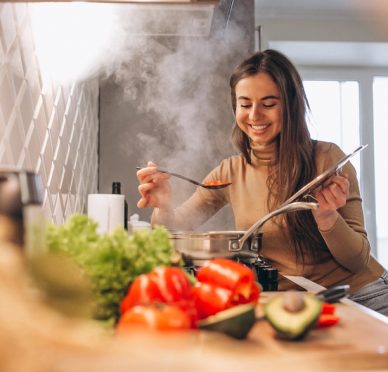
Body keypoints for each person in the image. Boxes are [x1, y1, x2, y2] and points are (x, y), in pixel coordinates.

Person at [136, 49, 388, 316]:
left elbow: (357, 259)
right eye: (245, 104)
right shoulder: (230, 172)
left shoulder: (327, 159)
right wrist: (163, 204)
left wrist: (327, 218)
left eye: (268, 104)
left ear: (291, 106)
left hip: (362, 296)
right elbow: (174, 227)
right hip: (296, 305)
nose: (254, 115)